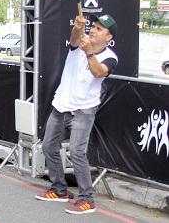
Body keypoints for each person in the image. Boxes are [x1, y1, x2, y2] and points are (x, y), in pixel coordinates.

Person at [35, 14, 118, 215]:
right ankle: (59, 189)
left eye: (99, 29)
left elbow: (98, 72)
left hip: (84, 109)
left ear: (108, 36)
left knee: (76, 152)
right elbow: (74, 38)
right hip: (61, 104)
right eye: (94, 26)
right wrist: (78, 26)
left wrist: (90, 54)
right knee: (48, 146)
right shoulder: (80, 42)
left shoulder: (111, 56)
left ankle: (87, 199)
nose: (94, 30)